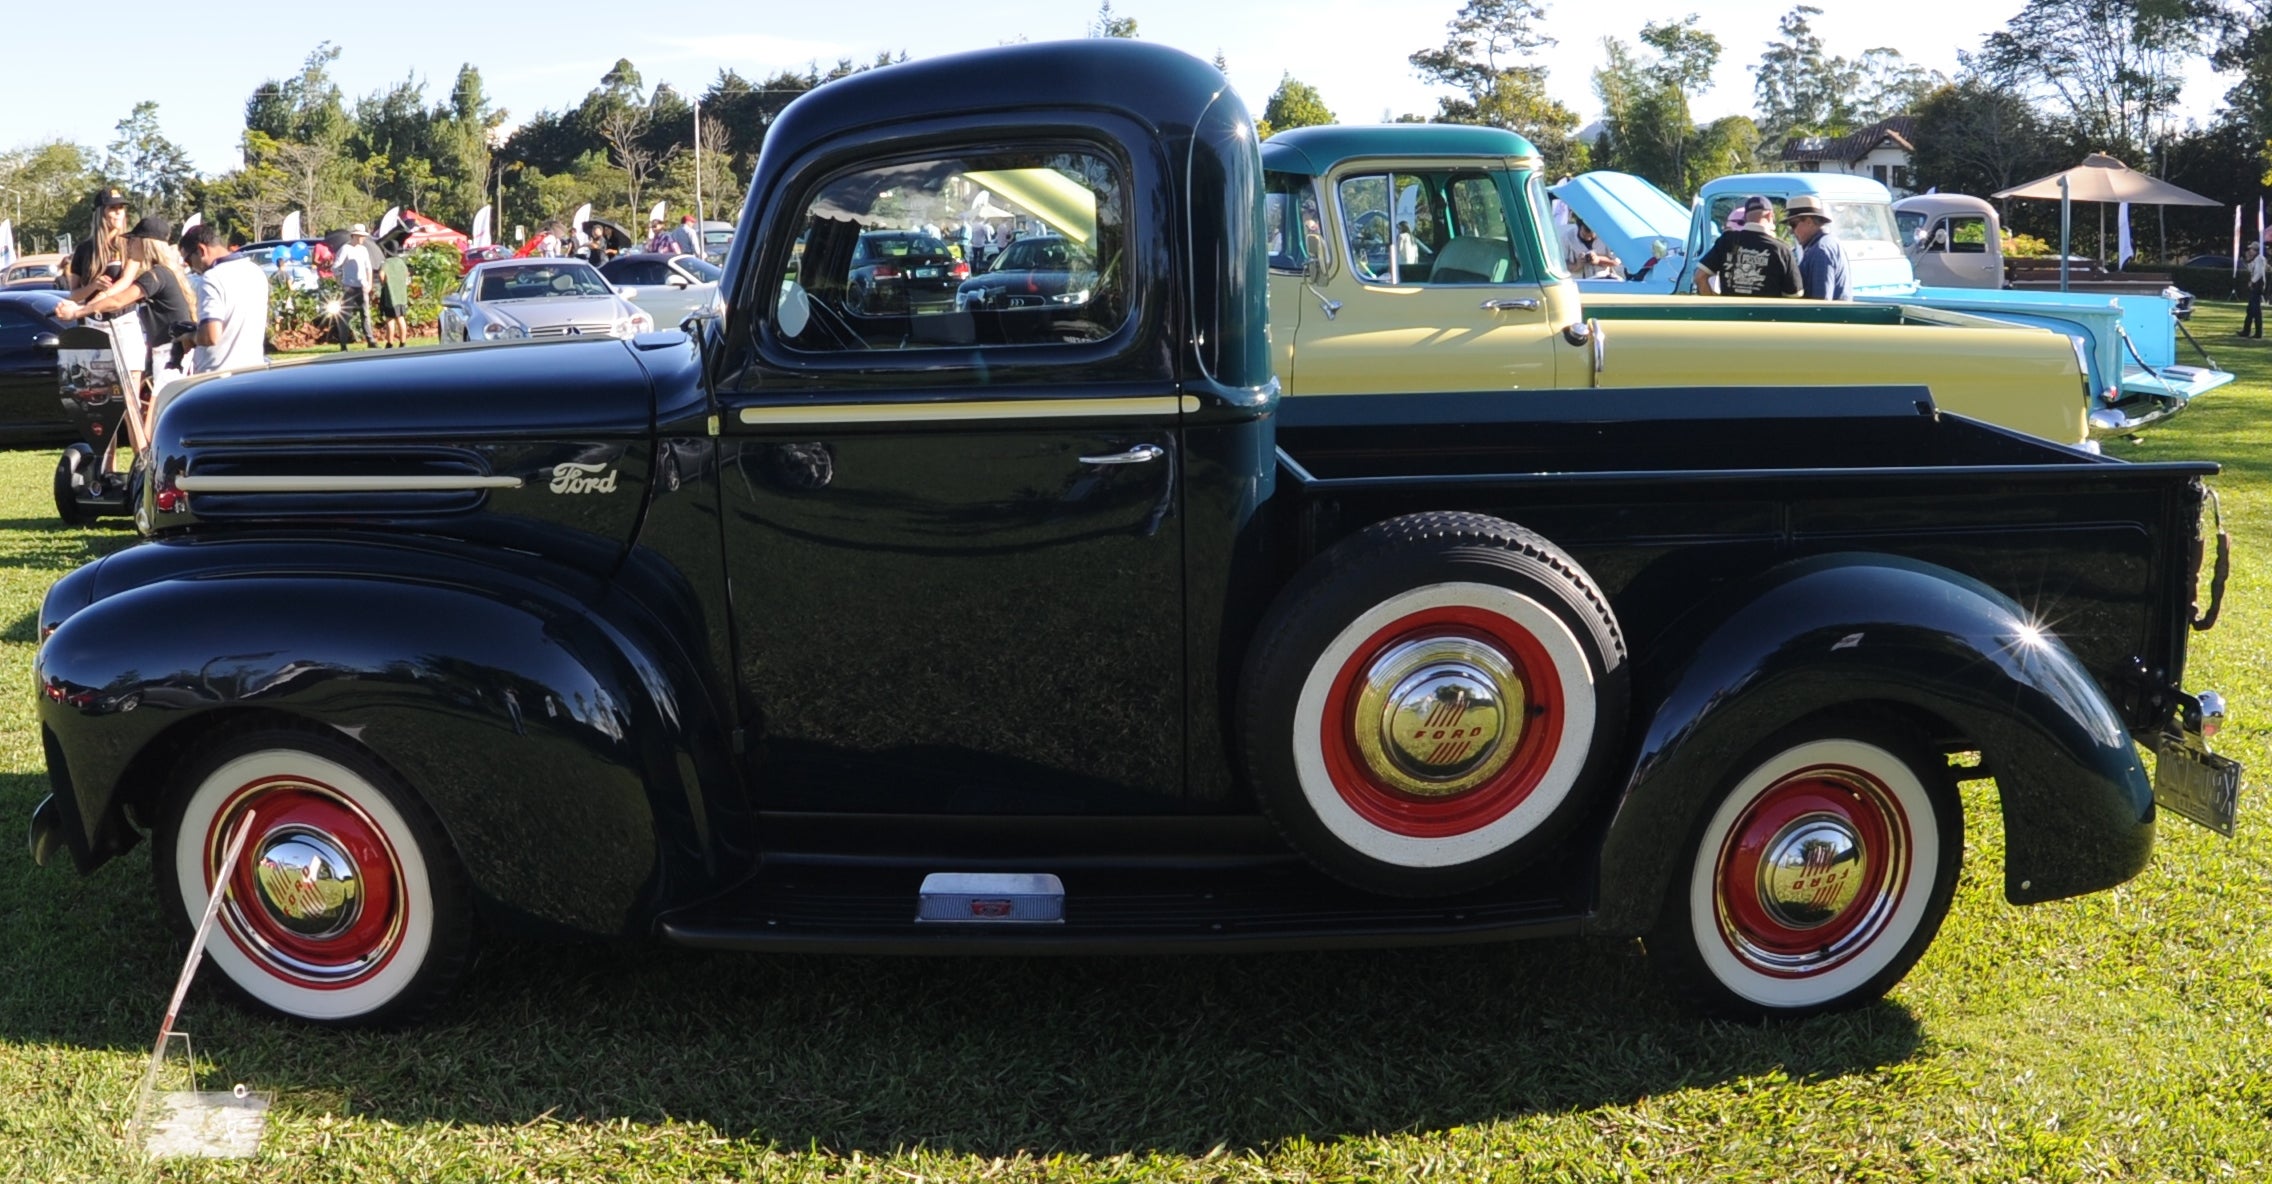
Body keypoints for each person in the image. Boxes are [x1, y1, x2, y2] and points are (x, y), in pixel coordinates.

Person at [179, 222, 268, 375]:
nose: (191, 268)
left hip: (217, 376)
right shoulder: (255, 271)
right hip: (254, 370)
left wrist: (190, 337)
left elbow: (211, 336)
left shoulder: (211, 278)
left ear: (201, 250)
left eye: (188, 260)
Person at [1694, 195, 1799, 297]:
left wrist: (1716, 308)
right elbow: (1795, 294)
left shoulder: (1726, 241)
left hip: (1729, 314)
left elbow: (1700, 277)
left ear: (1745, 217)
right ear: (1769, 216)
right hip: (1767, 315)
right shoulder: (1782, 250)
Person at [1786, 194, 1850, 301]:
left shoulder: (1821, 250)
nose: (1791, 231)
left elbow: (1821, 303)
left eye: (1793, 224)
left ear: (1809, 222)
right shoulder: (1823, 244)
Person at [336, 223, 377, 349]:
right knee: (346, 316)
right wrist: (340, 281)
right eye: (360, 236)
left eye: (363, 236)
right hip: (349, 286)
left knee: (365, 314)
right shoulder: (345, 249)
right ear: (354, 236)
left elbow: (368, 268)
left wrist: (369, 284)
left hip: (362, 286)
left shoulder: (363, 250)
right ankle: (343, 343)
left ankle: (370, 340)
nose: (362, 239)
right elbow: (336, 266)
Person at [378, 240, 412, 348]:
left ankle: (390, 342)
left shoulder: (386, 263)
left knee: (390, 319)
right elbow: (407, 274)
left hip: (390, 296)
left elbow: (381, 275)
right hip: (401, 296)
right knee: (401, 318)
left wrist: (384, 283)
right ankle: (403, 342)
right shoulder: (401, 262)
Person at [2242, 241, 2265, 339]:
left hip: (2258, 285)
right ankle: (2246, 330)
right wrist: (2248, 260)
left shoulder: (2259, 259)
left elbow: (2259, 273)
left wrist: (2252, 281)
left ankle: (2257, 333)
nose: (2249, 251)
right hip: (2256, 284)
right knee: (2251, 309)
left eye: (2251, 249)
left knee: (2255, 310)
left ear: (2255, 250)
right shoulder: (2255, 259)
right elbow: (2250, 270)